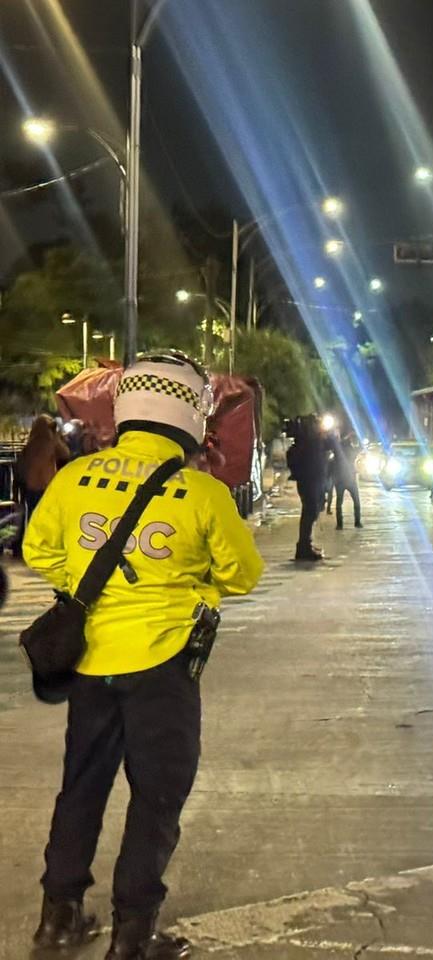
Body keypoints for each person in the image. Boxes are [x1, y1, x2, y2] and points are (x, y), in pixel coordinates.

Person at [23, 350, 263, 959]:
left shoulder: (77, 477)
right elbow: (242, 575)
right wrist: (192, 585)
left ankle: (58, 917)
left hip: (89, 664)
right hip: (163, 666)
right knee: (157, 795)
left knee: (80, 787)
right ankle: (134, 935)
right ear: (189, 416)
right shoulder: (202, 493)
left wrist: (81, 585)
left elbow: (39, 551)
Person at [15, 414, 71, 557]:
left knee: (31, 517)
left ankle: (24, 547)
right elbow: (66, 454)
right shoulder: (51, 443)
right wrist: (58, 436)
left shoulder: (29, 445)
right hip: (47, 486)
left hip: (31, 485)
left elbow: (21, 467)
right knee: (47, 518)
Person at [286, 415, 327, 561]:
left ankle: (305, 545)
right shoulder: (309, 442)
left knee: (311, 512)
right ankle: (304, 547)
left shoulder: (312, 441)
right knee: (310, 513)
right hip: (310, 481)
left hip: (311, 480)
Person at [330, 428, 362, 528]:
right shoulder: (351, 450)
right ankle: (357, 522)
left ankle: (340, 524)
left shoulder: (338, 450)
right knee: (356, 501)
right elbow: (358, 449)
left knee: (339, 502)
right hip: (350, 479)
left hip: (340, 479)